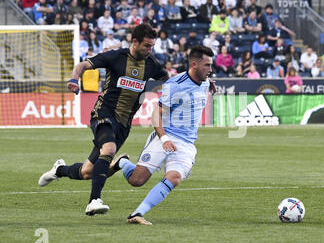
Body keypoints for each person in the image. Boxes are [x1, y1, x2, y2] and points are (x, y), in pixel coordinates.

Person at [38, 24, 169, 215]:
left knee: (87, 172)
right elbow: (83, 65)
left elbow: (168, 80)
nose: (150, 50)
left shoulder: (151, 65)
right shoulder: (116, 57)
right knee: (109, 149)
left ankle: (59, 170)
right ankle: (94, 201)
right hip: (104, 113)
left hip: (124, 125)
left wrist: (200, 82)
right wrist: (75, 79)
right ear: (134, 42)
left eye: (152, 46)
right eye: (147, 46)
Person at [114, 45, 215, 225]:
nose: (211, 69)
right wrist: (164, 138)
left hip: (186, 144)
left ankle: (137, 213)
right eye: (207, 65)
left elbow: (204, 85)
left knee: (174, 178)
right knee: (136, 181)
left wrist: (210, 85)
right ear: (194, 64)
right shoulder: (175, 85)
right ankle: (122, 162)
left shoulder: (206, 82)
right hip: (166, 136)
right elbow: (156, 114)